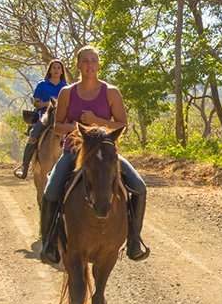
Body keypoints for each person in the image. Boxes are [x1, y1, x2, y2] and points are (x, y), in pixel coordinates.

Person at [39, 46, 149, 264]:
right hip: (74, 150)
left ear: (99, 65)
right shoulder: (67, 92)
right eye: (85, 61)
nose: (89, 65)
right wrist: (78, 126)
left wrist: (97, 121)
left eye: (94, 61)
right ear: (78, 65)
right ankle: (49, 243)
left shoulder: (111, 92)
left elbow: (121, 124)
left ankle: (134, 240)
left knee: (139, 187)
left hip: (105, 153)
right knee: (51, 191)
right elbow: (57, 126)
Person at [13, 59, 67, 179]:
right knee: (33, 135)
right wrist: (49, 104)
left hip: (63, 117)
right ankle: (25, 167)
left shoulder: (66, 87)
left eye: (59, 68)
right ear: (50, 70)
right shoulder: (42, 84)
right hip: (45, 116)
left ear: (62, 71)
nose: (56, 70)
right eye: (54, 68)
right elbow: (36, 103)